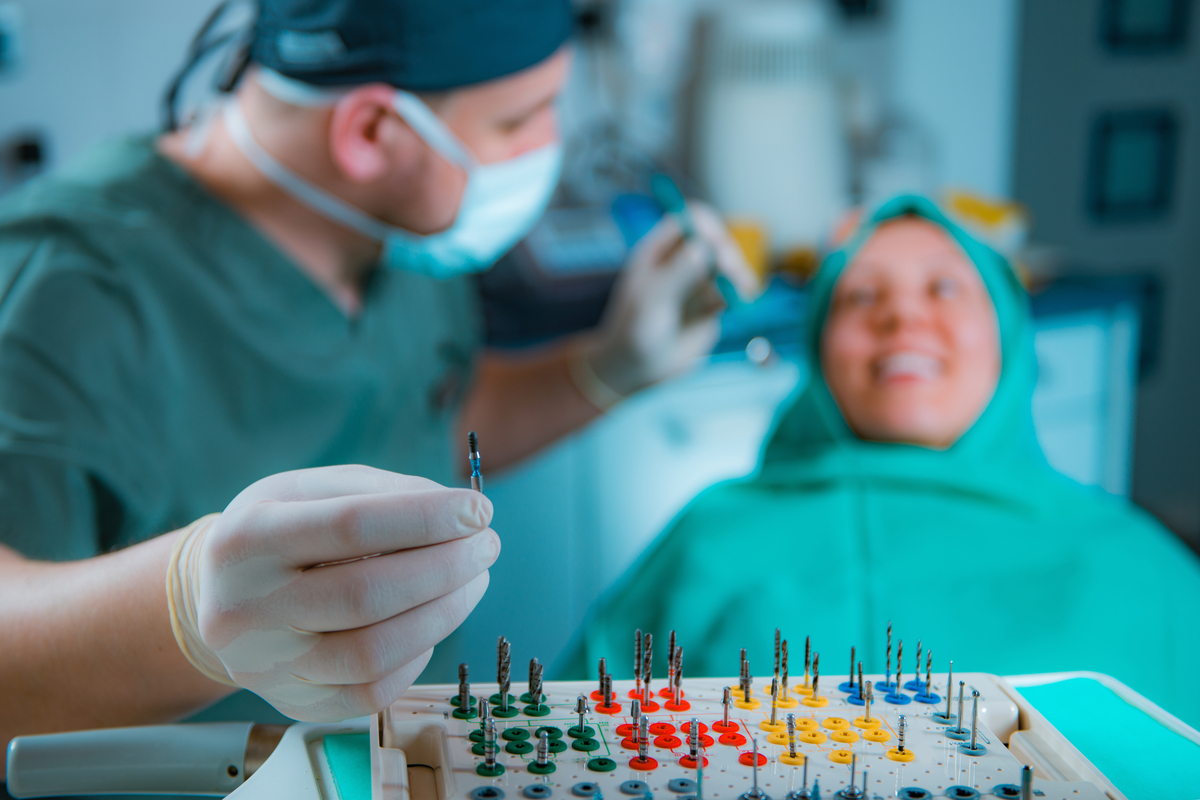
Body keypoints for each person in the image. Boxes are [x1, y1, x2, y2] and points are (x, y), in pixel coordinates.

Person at [0, 0, 755, 764]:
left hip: (401, 765)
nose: (550, 144)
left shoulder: (399, 229)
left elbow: (427, 417)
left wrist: (604, 369)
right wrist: (186, 614)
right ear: (371, 133)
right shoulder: (60, 291)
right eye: (520, 119)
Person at [562, 194, 1200, 729]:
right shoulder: (708, 533)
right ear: (818, 350)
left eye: (944, 286)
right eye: (862, 297)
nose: (902, 315)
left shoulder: (1140, 565)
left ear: (1007, 331)